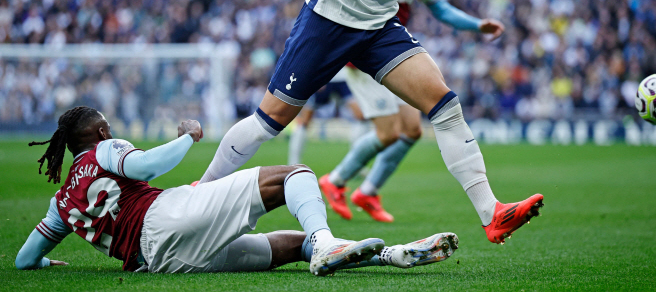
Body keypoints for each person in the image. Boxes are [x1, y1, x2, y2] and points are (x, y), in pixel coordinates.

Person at [200, 0, 543, 244]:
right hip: (328, 19)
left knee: (445, 105)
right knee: (270, 120)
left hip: (377, 26)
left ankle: (491, 213)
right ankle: (201, 193)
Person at [15, 106, 458, 275]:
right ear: (100, 130)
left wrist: (48, 260)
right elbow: (147, 164)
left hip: (158, 263)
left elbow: (24, 259)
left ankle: (388, 255)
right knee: (294, 175)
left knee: (288, 246)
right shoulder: (106, 148)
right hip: (164, 218)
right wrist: (188, 135)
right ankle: (326, 246)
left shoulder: (61, 202)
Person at [319, 0, 505, 222]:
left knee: (412, 130)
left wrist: (477, 25)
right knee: (388, 134)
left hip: (391, 57)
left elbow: (440, 9)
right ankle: (335, 180)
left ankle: (367, 192)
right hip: (362, 58)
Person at [288, 67, 365, 165]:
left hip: (343, 78)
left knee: (361, 117)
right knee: (305, 122)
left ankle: (355, 163)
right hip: (325, 77)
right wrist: (318, 74)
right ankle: (293, 164)